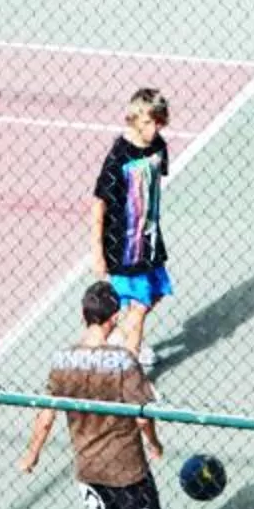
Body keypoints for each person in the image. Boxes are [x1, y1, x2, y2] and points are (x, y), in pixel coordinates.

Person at [19, 280, 167, 509]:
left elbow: (48, 413)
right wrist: (154, 442)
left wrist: (32, 453)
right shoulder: (122, 362)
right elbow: (141, 413)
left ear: (84, 315)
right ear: (114, 318)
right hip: (128, 469)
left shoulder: (63, 361)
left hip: (88, 470)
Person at [89, 86, 171, 371]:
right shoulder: (119, 158)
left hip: (148, 239)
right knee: (137, 306)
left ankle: (114, 345)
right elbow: (99, 205)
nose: (155, 128)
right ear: (135, 120)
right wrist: (97, 253)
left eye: (160, 121)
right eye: (149, 122)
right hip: (123, 246)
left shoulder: (159, 147)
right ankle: (127, 372)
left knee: (155, 293)